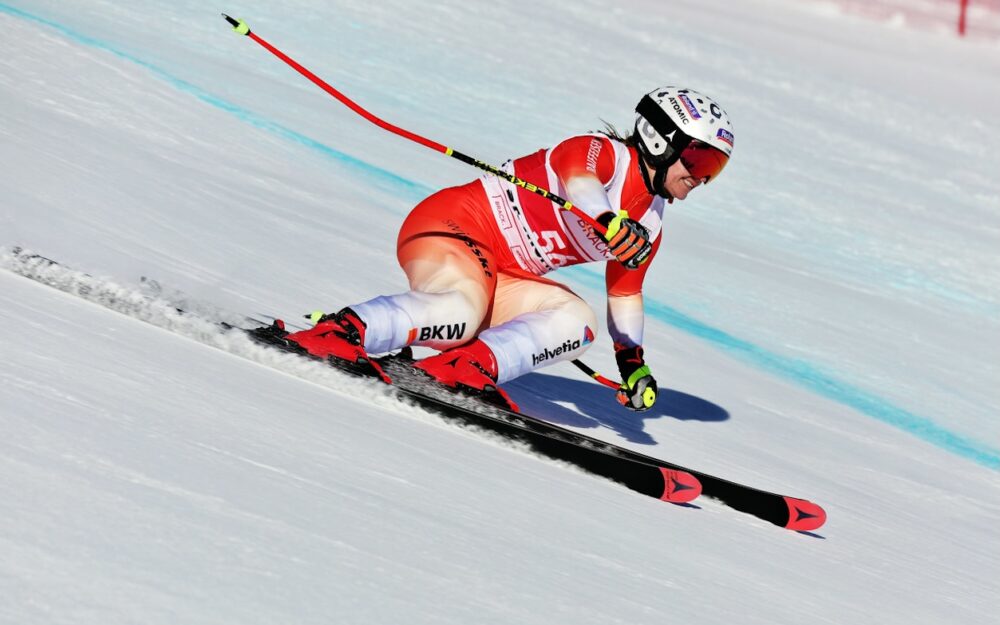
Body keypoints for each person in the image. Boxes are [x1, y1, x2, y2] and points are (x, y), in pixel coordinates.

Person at [275, 86, 734, 412]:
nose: (701, 177)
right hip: (452, 228)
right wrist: (610, 220)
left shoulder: (650, 223)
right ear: (660, 138)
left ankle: (464, 367)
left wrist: (632, 362)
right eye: (698, 159)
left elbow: (625, 294)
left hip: (501, 276)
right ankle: (341, 332)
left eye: (714, 168)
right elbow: (579, 181)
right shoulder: (602, 153)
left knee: (577, 321)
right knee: (459, 312)